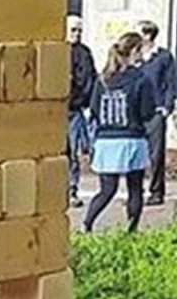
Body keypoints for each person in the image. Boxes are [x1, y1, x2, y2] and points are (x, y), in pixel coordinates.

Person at [83, 31, 156, 234]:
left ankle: (86, 223)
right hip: (132, 139)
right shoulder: (140, 79)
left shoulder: (103, 80)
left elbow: (95, 110)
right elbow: (147, 112)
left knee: (107, 189)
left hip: (106, 141)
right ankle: (131, 231)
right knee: (135, 188)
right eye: (141, 50)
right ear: (134, 51)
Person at [138, 20, 177, 207]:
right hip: (136, 112)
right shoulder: (134, 57)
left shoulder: (163, 57)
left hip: (155, 112)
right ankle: (135, 192)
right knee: (136, 154)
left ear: (147, 35)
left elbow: (171, 83)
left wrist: (166, 108)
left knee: (156, 154)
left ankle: (156, 192)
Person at [67, 16, 96, 209]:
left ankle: (71, 189)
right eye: (73, 30)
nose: (77, 34)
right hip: (57, 109)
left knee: (73, 151)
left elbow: (89, 79)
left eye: (79, 31)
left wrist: (87, 102)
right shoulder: (57, 51)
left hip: (75, 109)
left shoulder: (84, 53)